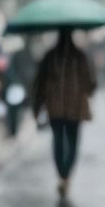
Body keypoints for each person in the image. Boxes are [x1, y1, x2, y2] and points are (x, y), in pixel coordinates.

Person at [32, 28, 97, 196]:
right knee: (71, 142)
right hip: (73, 108)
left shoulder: (51, 56)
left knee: (59, 141)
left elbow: (40, 83)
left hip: (57, 107)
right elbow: (90, 83)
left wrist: (37, 105)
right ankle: (65, 175)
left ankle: (63, 175)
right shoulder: (79, 57)